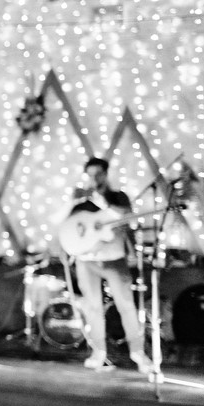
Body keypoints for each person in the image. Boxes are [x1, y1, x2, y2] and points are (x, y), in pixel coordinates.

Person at [66, 157, 154, 373]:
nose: (94, 178)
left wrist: (101, 202)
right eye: (91, 174)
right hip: (87, 260)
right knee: (93, 307)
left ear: (106, 174)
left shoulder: (118, 196)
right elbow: (70, 226)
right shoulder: (81, 201)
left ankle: (138, 352)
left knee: (126, 305)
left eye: (98, 174)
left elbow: (125, 216)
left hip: (114, 259)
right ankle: (99, 352)